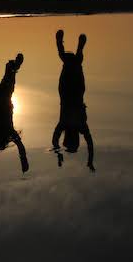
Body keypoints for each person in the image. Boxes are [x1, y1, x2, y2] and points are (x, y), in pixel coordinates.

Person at [52, 30, 94, 171]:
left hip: (71, 92)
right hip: (70, 92)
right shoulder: (73, 126)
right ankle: (65, 46)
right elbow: (54, 140)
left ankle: (75, 48)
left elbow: (89, 143)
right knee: (71, 63)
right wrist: (58, 153)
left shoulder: (74, 126)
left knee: (73, 63)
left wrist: (90, 160)